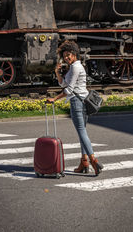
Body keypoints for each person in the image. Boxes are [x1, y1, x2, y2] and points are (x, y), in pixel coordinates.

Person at [47, 40, 104, 176]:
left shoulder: (75, 67)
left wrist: (54, 99)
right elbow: (64, 84)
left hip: (77, 103)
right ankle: (84, 163)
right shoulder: (75, 67)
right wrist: (57, 72)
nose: (66, 58)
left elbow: (69, 90)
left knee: (82, 133)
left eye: (68, 55)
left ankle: (93, 161)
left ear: (74, 54)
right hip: (82, 102)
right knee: (81, 132)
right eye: (65, 56)